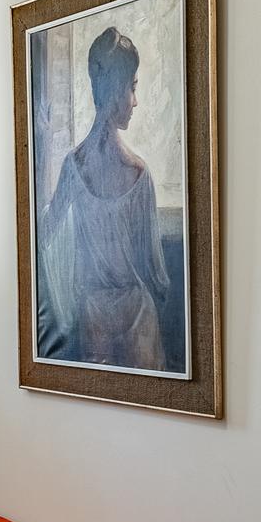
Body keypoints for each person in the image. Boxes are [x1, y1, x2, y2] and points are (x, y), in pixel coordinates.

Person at [38, 26, 175, 372]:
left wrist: (68, 303)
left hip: (93, 320)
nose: (135, 100)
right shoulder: (138, 174)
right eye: (132, 86)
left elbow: (45, 236)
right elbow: (157, 276)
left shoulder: (73, 166)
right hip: (137, 320)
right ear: (116, 89)